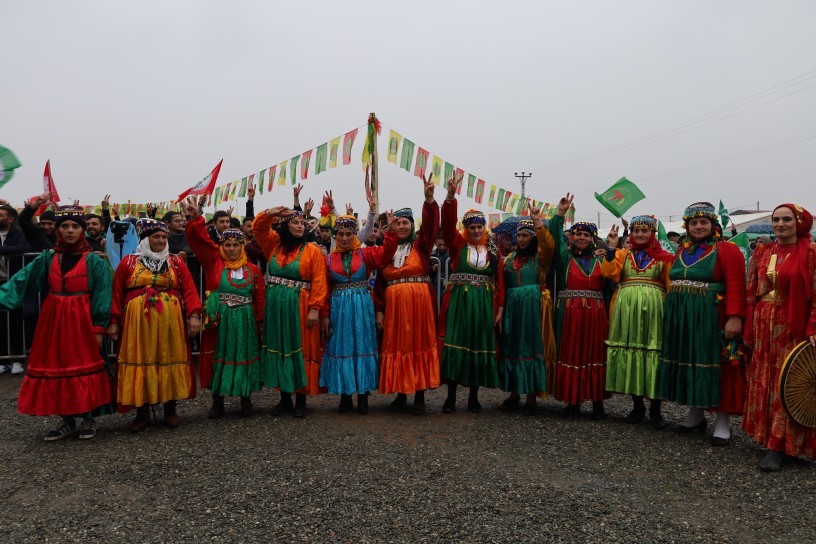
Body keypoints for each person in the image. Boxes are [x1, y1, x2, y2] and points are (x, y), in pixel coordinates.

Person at [0, 206, 113, 440]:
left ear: (82, 230)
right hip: (54, 322)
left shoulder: (95, 261)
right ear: (59, 230)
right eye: (65, 226)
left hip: (82, 322)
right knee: (58, 366)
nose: (70, 230)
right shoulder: (47, 258)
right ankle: (67, 420)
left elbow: (102, 295)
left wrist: (99, 327)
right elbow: (21, 281)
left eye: (75, 226)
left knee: (85, 366)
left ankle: (88, 418)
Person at [657, 202, 746, 446]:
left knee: (717, 364)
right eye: (693, 223)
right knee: (690, 360)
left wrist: (735, 317)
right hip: (683, 317)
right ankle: (696, 415)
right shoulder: (682, 250)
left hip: (710, 315)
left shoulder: (726, 249)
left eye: (703, 222)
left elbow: (736, 285)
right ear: (687, 227)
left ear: (713, 225)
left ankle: (723, 422)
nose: (698, 227)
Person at [107, 218, 202, 432]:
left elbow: (189, 289)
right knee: (140, 359)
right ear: (145, 239)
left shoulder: (175, 262)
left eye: (163, 237)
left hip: (170, 321)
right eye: (156, 237)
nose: (161, 240)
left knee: (169, 358)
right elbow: (117, 293)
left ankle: (170, 409)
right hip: (137, 323)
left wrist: (194, 315)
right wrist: (113, 321)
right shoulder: (128, 262)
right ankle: (142, 412)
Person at [743, 204, 816, 471]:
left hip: (792, 323)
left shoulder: (811, 252)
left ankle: (785, 445)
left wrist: (813, 327)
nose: (780, 224)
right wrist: (748, 327)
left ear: (799, 222)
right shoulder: (762, 252)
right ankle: (772, 441)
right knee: (766, 379)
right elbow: (751, 291)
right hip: (763, 322)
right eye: (776, 219)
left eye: (787, 219)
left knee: (789, 382)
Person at [184, 201, 265, 418]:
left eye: (235, 245)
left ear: (242, 246)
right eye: (227, 245)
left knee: (244, 354)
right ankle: (217, 402)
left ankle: (245, 398)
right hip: (220, 320)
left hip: (245, 320)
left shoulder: (252, 270)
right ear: (222, 246)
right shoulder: (214, 261)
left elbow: (259, 296)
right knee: (218, 357)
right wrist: (196, 219)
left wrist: (260, 320)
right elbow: (199, 240)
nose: (231, 249)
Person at [252, 206, 328, 418]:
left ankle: (301, 399)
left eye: (302, 223)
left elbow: (319, 280)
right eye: (295, 222)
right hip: (276, 305)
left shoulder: (312, 250)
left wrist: (315, 309)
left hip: (300, 304)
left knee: (300, 347)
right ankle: (284, 398)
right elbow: (258, 229)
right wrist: (270, 213)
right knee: (279, 345)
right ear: (285, 225)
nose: (300, 226)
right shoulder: (274, 244)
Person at [374, 174, 440, 415]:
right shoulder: (388, 249)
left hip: (418, 305)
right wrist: (379, 310)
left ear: (412, 225)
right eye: (398, 223)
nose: (402, 226)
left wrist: (429, 201)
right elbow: (380, 282)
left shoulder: (421, 246)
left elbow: (431, 227)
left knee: (418, 344)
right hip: (394, 307)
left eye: (405, 223)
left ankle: (419, 394)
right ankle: (401, 393)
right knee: (398, 346)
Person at [439, 174, 504, 413]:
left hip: (484, 303)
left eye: (479, 227)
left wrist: (500, 308)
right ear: (465, 228)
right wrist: (450, 196)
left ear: (484, 227)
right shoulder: (458, 245)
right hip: (460, 301)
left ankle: (474, 397)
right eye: (472, 227)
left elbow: (499, 281)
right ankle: (451, 397)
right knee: (456, 343)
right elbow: (447, 226)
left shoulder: (493, 250)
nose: (476, 231)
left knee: (478, 344)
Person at [320, 212, 397, 414]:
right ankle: (345, 395)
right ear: (336, 236)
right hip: (338, 310)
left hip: (362, 307)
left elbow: (386, 254)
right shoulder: (327, 260)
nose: (345, 238)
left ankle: (363, 395)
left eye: (349, 234)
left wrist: (391, 233)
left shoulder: (365, 254)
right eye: (341, 234)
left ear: (355, 235)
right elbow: (324, 289)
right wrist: (325, 315)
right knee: (342, 346)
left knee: (363, 345)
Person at [602, 215, 673, 428]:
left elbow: (670, 285)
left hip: (654, 309)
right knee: (629, 351)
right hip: (626, 308)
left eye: (644, 230)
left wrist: (669, 311)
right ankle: (637, 406)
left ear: (653, 233)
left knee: (654, 352)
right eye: (636, 231)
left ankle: (656, 410)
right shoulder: (622, 254)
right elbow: (608, 273)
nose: (640, 234)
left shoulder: (665, 257)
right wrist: (611, 248)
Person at [549, 194, 609, 419]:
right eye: (578, 234)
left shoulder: (602, 261)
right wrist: (560, 215)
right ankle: (573, 401)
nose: (582, 237)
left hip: (597, 314)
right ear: (571, 237)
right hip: (570, 313)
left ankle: (598, 402)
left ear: (593, 239)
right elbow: (555, 237)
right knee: (572, 353)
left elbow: (610, 287)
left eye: (586, 235)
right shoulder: (564, 258)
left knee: (596, 354)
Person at [500, 207, 554, 415]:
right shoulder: (509, 259)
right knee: (512, 346)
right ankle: (514, 393)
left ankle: (531, 397)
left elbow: (548, 245)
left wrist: (537, 222)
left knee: (530, 346)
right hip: (512, 308)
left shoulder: (540, 258)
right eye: (519, 235)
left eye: (526, 236)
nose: (521, 239)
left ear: (533, 238)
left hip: (532, 308)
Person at [0, 203, 32, 375]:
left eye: (1, 215)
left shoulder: (19, 233)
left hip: (13, 283)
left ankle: (18, 359)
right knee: (1, 323)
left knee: (16, 322)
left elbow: (25, 248)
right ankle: (3, 360)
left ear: (11, 219)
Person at [430, 233, 450, 299]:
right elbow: (426, 272)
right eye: (439, 245)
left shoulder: (453, 254)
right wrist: (432, 269)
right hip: (435, 287)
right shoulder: (431, 254)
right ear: (435, 243)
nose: (442, 247)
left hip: (449, 286)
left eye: (444, 244)